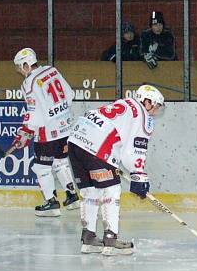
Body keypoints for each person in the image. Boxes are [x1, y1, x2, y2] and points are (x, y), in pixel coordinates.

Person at [67, 84, 165, 255]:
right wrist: (139, 176)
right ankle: (110, 241)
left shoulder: (125, 103)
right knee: (111, 191)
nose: (155, 111)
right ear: (147, 102)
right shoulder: (143, 116)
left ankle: (88, 238)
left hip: (75, 142)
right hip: (97, 147)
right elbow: (134, 151)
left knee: (90, 192)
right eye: (156, 105)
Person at [12, 47, 80, 217]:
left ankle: (51, 203)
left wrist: (25, 132)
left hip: (47, 132)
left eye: (20, 67)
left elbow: (34, 113)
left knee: (41, 168)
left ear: (26, 65)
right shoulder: (52, 70)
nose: (20, 71)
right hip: (65, 127)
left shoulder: (29, 83)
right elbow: (69, 95)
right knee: (60, 162)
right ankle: (72, 196)